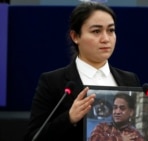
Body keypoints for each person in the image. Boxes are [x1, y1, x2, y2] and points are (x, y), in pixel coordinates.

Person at [24, 2, 141, 141]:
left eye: (111, 30)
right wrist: (69, 118)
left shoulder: (129, 79)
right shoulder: (53, 82)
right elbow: (33, 137)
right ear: (75, 36)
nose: (106, 39)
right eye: (96, 31)